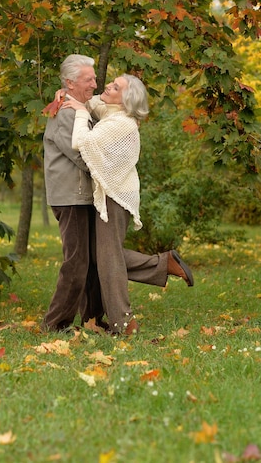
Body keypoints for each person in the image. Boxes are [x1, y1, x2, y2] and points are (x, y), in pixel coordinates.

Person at [62, 73, 194, 335]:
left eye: (115, 87)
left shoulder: (122, 124)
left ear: (127, 99)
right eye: (111, 83)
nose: (108, 87)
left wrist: (77, 111)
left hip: (115, 197)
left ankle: (123, 323)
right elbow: (94, 102)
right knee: (100, 257)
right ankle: (162, 263)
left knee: (108, 260)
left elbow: (80, 143)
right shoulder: (113, 113)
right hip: (111, 194)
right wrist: (67, 96)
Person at [41, 54, 104, 332]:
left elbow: (102, 100)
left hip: (81, 195)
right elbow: (82, 156)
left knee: (91, 261)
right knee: (77, 262)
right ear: (70, 82)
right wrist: (110, 168)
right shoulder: (66, 113)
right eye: (88, 79)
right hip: (71, 197)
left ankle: (92, 319)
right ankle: (55, 323)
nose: (95, 83)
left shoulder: (76, 106)